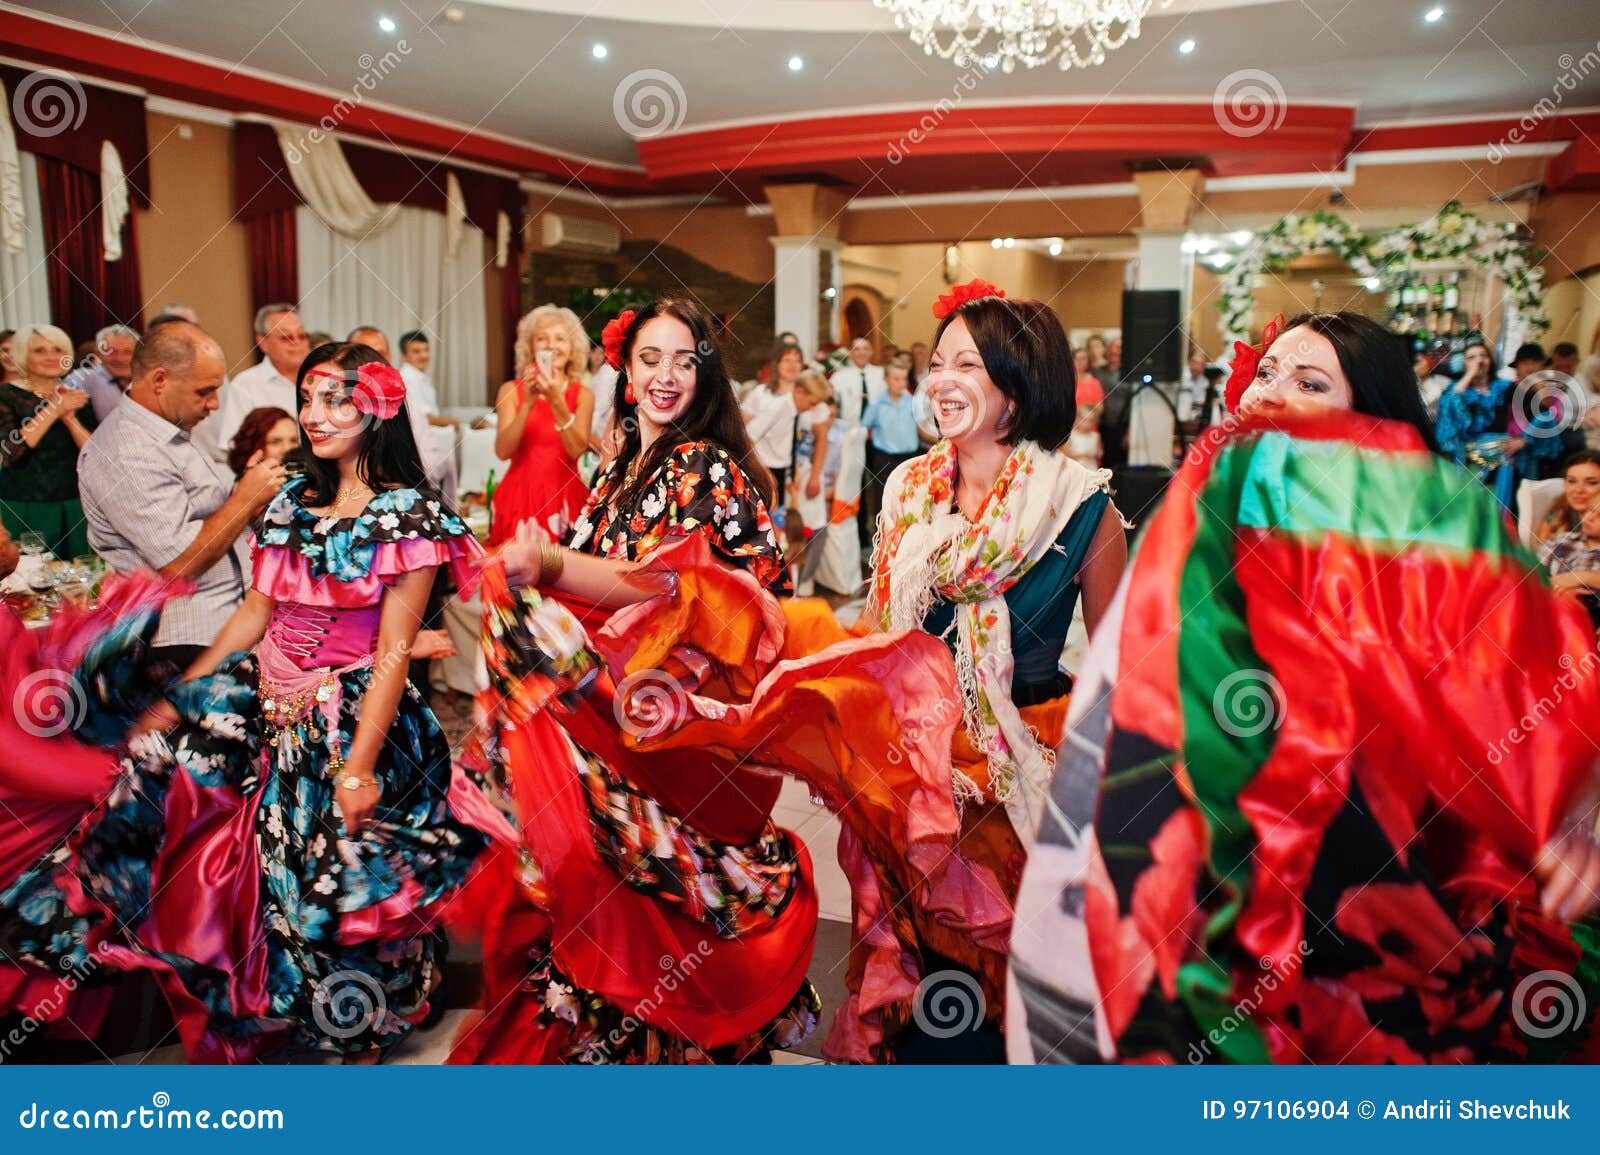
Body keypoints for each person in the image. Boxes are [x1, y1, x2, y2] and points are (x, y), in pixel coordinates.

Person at [1009, 405, 1600, 1064]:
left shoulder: (1441, 577)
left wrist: (1557, 788)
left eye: (1311, 382)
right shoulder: (1201, 589)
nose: (1273, 398)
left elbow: (1528, 705)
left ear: (1375, 411)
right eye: (1266, 374)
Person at [0, 340, 508, 1062]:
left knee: (333, 881)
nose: (315, 415)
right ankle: (271, 1011)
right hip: (263, 701)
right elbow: (252, 615)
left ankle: (358, 1020)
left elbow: (394, 646)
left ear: (377, 408)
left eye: (335, 399)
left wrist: (360, 764)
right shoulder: (290, 501)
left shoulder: (407, 517)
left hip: (347, 714)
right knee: (246, 863)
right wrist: (186, 693)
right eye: (308, 399)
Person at [821, 283, 1126, 1063]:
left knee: (1008, 999)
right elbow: (883, 634)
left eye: (968, 364)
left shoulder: (1080, 507)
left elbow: (1123, 664)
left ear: (1019, 392)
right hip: (915, 768)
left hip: (1021, 778)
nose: (942, 379)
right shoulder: (907, 491)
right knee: (928, 990)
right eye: (938, 362)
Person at [79, 323, 283, 666]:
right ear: (159, 381)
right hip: (183, 640)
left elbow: (206, 518)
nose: (215, 404)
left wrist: (249, 498)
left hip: (229, 626)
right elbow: (180, 564)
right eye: (205, 391)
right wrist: (243, 499)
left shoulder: (169, 432)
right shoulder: (126, 450)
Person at [488, 305, 594, 545]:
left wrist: (556, 399)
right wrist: (528, 402)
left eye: (560, 339)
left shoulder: (583, 395)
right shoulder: (510, 390)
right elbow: (503, 452)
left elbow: (576, 449)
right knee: (515, 580)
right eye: (542, 338)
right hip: (519, 499)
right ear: (530, 347)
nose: (551, 345)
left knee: (568, 577)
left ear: (572, 349)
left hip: (566, 498)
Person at [0, 324, 96, 558]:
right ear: (23, 355)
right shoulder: (6, 396)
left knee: (79, 578)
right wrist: (54, 409)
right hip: (25, 505)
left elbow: (95, 454)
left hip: (73, 503)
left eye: (57, 349)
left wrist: (70, 419)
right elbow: (10, 452)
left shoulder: (76, 395)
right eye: (40, 350)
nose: (51, 357)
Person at [1436, 338, 1560, 507]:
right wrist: (1470, 375)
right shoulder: (1456, 391)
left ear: (1490, 361)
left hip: (1503, 460)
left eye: (1483, 355)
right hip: (1469, 462)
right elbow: (1448, 415)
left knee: (1499, 510)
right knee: (1472, 508)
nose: (1479, 360)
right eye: (1471, 357)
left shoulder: (1505, 388)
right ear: (1463, 364)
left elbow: (1543, 414)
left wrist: (1524, 440)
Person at [348, 327, 457, 501]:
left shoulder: (405, 401)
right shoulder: (337, 408)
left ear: (389, 358)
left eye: (379, 353)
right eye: (362, 354)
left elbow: (430, 456)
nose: (372, 362)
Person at [208, 303, 309, 462]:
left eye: (302, 336)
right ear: (263, 342)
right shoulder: (246, 385)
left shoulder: (320, 380)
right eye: (286, 337)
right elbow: (234, 448)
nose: (296, 342)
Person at [858, 357, 923, 539]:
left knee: (910, 502)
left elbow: (921, 428)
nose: (900, 383)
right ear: (886, 379)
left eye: (903, 378)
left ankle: (907, 542)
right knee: (884, 502)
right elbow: (865, 429)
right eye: (896, 378)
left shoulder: (912, 401)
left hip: (910, 459)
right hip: (884, 459)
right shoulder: (876, 404)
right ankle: (883, 544)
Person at [743, 341, 803, 502]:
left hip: (796, 471)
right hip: (764, 467)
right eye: (787, 360)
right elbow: (742, 428)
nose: (793, 365)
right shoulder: (761, 394)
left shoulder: (806, 397)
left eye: (797, 360)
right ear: (776, 364)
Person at [1540, 499, 1600, 631]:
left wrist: (1584, 577)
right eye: (1590, 510)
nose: (1589, 518)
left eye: (1599, 516)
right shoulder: (1562, 540)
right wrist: (1556, 588)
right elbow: (1530, 577)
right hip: (1548, 610)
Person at [64, 324, 139, 421]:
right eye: (111, 352)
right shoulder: (83, 377)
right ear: (98, 354)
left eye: (127, 352)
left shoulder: (149, 379)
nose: (120, 358)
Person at [226, 406, 300, 477]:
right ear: (251, 446)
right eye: (275, 442)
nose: (288, 448)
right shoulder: (241, 488)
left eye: (294, 441)